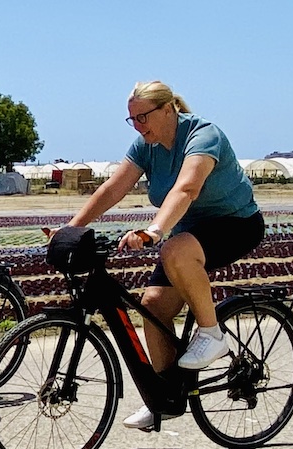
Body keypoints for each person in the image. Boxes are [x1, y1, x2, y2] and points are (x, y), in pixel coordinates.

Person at [62, 80, 265, 431]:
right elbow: (114, 188)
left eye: (144, 117)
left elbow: (187, 187)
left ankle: (212, 333)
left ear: (168, 109)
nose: (139, 126)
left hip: (235, 223)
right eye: (133, 120)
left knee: (175, 249)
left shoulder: (203, 135)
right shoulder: (147, 146)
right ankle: (166, 398)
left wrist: (154, 230)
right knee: (153, 305)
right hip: (192, 230)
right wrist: (71, 227)